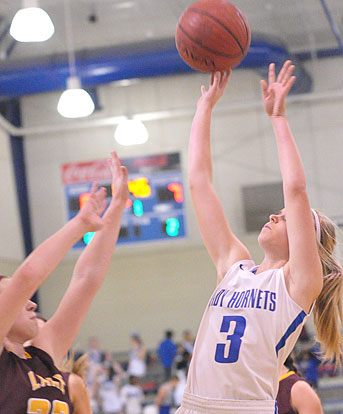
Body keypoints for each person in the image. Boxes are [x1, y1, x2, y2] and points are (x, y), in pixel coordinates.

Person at [176, 60, 343, 414]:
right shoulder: (234, 266)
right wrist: (204, 109)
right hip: (193, 406)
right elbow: (199, 183)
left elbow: (296, 190)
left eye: (284, 219)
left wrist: (278, 119)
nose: (274, 215)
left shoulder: (298, 283)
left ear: (304, 242)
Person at [0, 150, 128, 413]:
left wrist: (117, 205)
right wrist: (80, 223)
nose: (32, 305)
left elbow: (86, 279)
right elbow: (27, 277)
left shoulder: (41, 355)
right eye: (17, 298)